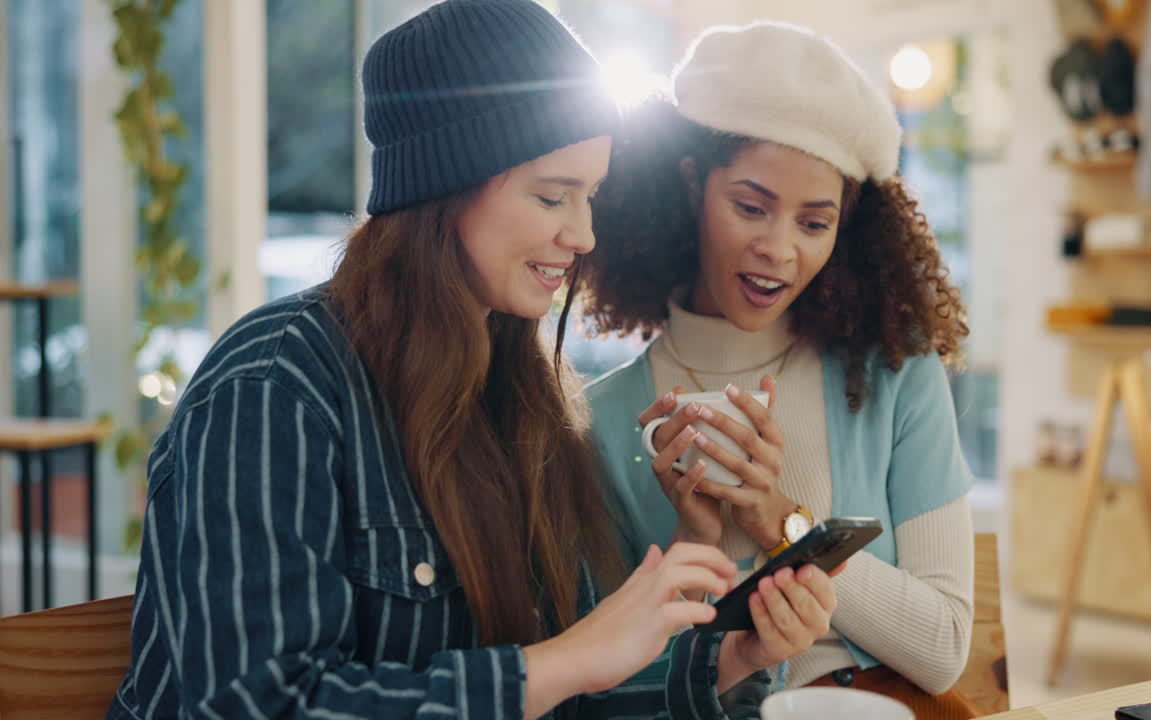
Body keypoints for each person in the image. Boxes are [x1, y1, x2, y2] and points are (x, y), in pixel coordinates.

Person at [107, 4, 839, 718]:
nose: (583, 234)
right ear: (443, 191)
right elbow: (258, 703)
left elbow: (569, 695)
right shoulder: (274, 386)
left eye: (591, 197)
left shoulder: (527, 391)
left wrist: (735, 656)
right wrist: (562, 659)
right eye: (553, 196)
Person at [582, 21, 979, 719]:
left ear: (846, 227)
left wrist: (781, 522)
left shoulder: (893, 374)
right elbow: (602, 693)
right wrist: (695, 538)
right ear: (690, 185)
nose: (779, 250)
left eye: (813, 223)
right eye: (750, 207)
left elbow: (944, 645)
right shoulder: (607, 422)